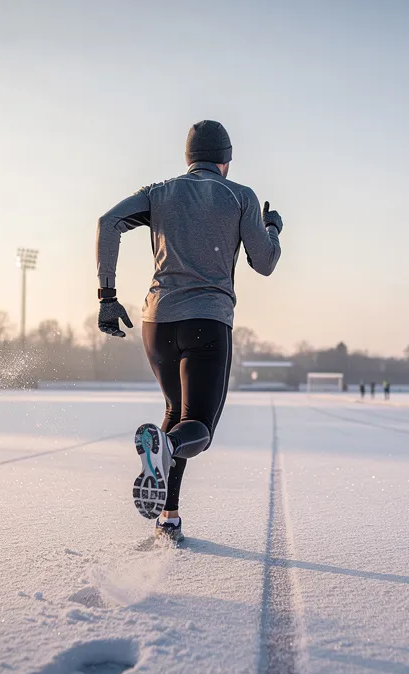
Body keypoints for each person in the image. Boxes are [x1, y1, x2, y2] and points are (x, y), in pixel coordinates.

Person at [95, 120, 283, 543]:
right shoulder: (240, 197)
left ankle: (169, 515)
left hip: (157, 323)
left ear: (188, 158)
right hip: (207, 321)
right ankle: (166, 455)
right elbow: (264, 262)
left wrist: (107, 296)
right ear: (226, 161)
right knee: (196, 427)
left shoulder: (159, 192)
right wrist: (272, 227)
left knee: (174, 417)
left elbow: (109, 222)